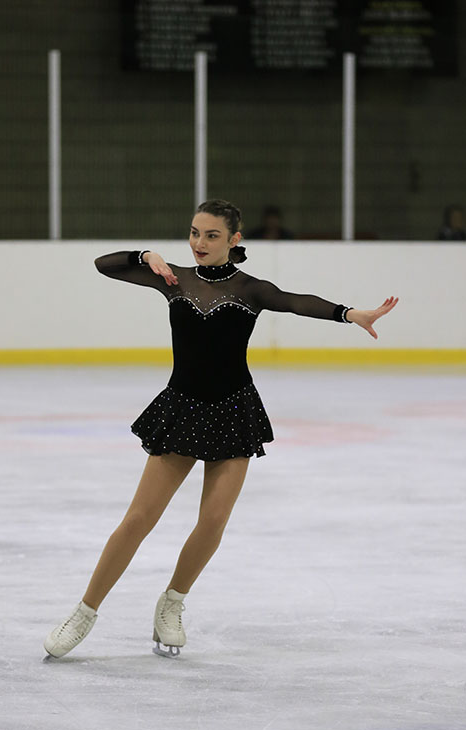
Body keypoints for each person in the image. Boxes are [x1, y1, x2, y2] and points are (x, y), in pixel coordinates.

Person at [43, 198, 398, 660]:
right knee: (138, 520)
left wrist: (350, 313)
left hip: (233, 410)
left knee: (212, 522)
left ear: (234, 240)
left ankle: (171, 604)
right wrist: (144, 256)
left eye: (212, 236)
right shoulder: (173, 278)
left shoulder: (251, 289)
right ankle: (85, 611)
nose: (199, 244)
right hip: (182, 408)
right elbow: (103, 265)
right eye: (194, 233)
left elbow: (294, 302)